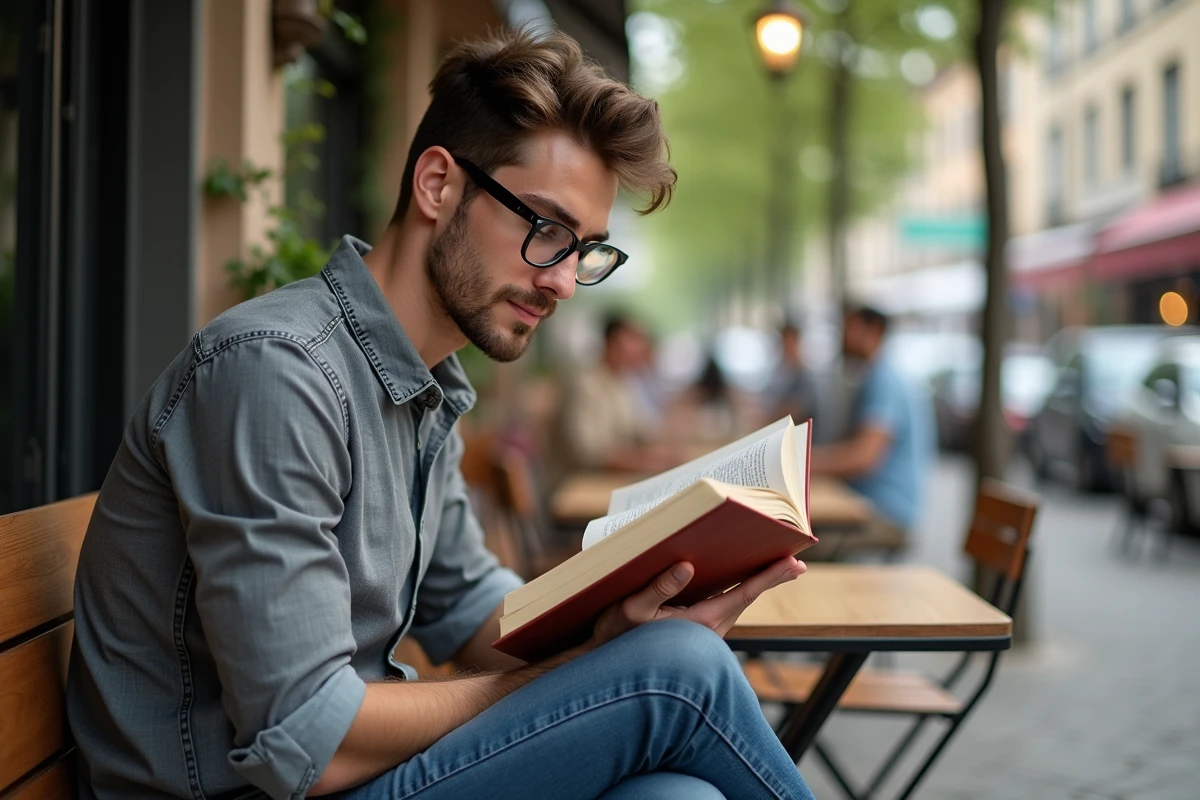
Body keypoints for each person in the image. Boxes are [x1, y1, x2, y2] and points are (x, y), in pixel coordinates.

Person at [67, 28, 815, 800]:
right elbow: (307, 739)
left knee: (676, 796)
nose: (562, 282)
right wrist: (589, 677)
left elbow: (470, 612)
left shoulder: (420, 385)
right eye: (546, 230)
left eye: (586, 250)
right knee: (680, 670)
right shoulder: (275, 373)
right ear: (437, 184)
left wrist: (611, 630)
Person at [810, 305, 934, 558]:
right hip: (871, 506)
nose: (842, 335)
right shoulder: (881, 376)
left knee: (798, 547)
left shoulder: (883, 381)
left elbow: (864, 457)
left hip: (887, 514)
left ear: (874, 330)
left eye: (850, 327)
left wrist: (802, 463)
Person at [556, 313, 678, 472]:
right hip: (586, 481)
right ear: (612, 342)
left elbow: (638, 431)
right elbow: (587, 453)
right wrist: (641, 462)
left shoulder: (622, 380)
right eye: (634, 339)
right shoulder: (586, 383)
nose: (639, 346)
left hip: (614, 476)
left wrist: (661, 452)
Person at [766, 322, 818, 426]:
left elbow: (793, 412)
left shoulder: (804, 377)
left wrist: (766, 418)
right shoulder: (787, 374)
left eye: (787, 342)